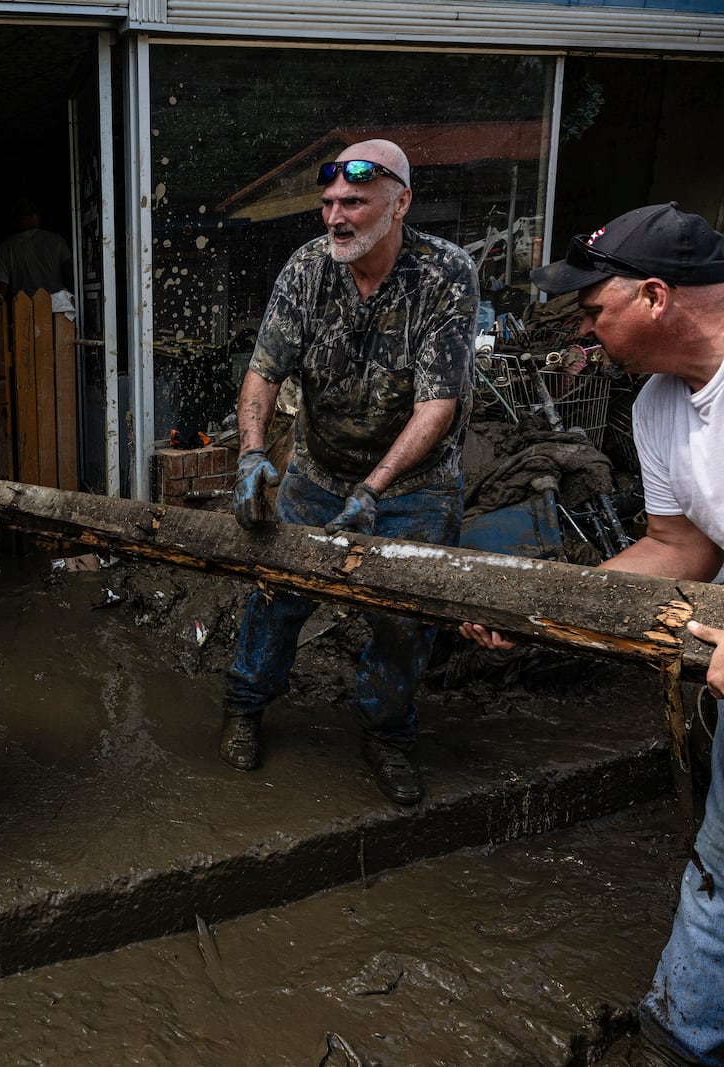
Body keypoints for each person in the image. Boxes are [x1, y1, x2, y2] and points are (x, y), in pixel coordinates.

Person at [459, 203, 724, 1066]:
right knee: (718, 869)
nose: (581, 328)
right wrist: (542, 606)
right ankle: (678, 1040)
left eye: (591, 309)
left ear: (654, 294)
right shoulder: (658, 406)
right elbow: (679, 548)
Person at [223, 139, 478, 806]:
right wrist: (252, 454)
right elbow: (263, 371)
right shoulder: (307, 269)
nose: (335, 216)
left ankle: (387, 735)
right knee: (277, 594)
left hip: (414, 488)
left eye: (354, 202)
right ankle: (244, 706)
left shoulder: (444, 275)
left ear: (400, 205)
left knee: (401, 622)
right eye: (329, 202)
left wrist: (376, 488)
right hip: (317, 472)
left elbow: (438, 405)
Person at [0, 196, 74, 299]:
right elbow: (72, 276)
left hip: (22, 308)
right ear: (37, 216)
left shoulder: (6, 248)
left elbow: (0, 291)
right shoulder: (56, 240)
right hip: (58, 305)